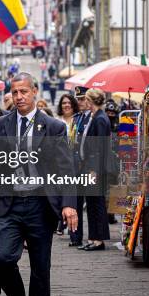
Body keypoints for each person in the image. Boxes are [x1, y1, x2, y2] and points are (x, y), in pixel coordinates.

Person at [0, 73, 78, 296]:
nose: (19, 97)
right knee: (2, 258)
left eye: (24, 91)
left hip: (40, 204)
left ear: (35, 92)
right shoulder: (1, 125)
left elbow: (65, 169)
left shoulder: (53, 127)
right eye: (15, 92)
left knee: (40, 267)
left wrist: (69, 205)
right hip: (9, 204)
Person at [77, 88, 111, 251]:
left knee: (96, 203)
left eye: (86, 100)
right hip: (89, 166)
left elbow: (99, 148)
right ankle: (93, 237)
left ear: (91, 101)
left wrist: (94, 170)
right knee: (91, 203)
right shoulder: (95, 117)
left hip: (94, 168)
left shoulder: (100, 119)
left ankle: (98, 239)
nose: (85, 103)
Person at [68, 86, 91, 247]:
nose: (80, 102)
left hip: (86, 165)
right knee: (74, 202)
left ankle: (93, 237)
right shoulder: (77, 118)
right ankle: (75, 236)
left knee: (89, 203)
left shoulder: (92, 119)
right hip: (74, 165)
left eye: (83, 99)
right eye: (79, 99)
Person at [54, 94, 79, 235]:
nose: (66, 105)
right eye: (64, 103)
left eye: (69, 102)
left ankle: (73, 230)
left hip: (75, 160)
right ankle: (61, 222)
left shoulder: (78, 120)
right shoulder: (56, 122)